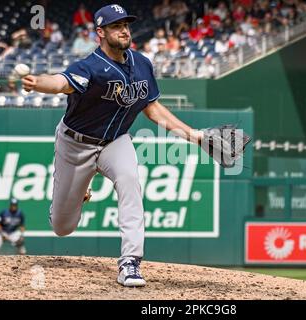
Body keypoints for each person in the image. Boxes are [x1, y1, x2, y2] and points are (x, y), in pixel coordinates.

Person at [21, 4, 204, 287]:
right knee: (62, 227)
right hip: (75, 145)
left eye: (126, 25)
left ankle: (130, 262)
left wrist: (195, 135)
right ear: (100, 33)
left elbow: (152, 108)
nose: (124, 30)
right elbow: (60, 83)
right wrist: (38, 83)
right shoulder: (90, 67)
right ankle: (75, 191)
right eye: (116, 26)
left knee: (130, 179)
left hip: (115, 142)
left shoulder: (142, 64)